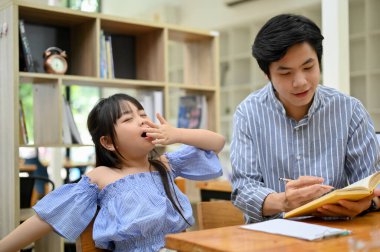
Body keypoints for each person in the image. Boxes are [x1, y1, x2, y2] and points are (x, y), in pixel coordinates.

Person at [0, 93, 225, 251]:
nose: (142, 121)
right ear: (107, 142)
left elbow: (217, 142)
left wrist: (177, 134)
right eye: (128, 118)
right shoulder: (101, 176)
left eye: (142, 114)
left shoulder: (165, 164)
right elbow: (48, 217)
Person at [230, 14, 380, 223]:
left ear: (319, 62)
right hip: (272, 237)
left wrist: (368, 202)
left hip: (339, 234)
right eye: (285, 73)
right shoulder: (248, 113)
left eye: (308, 67)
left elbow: (371, 182)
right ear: (268, 75)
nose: (300, 82)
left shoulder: (349, 110)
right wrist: (283, 201)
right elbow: (243, 190)